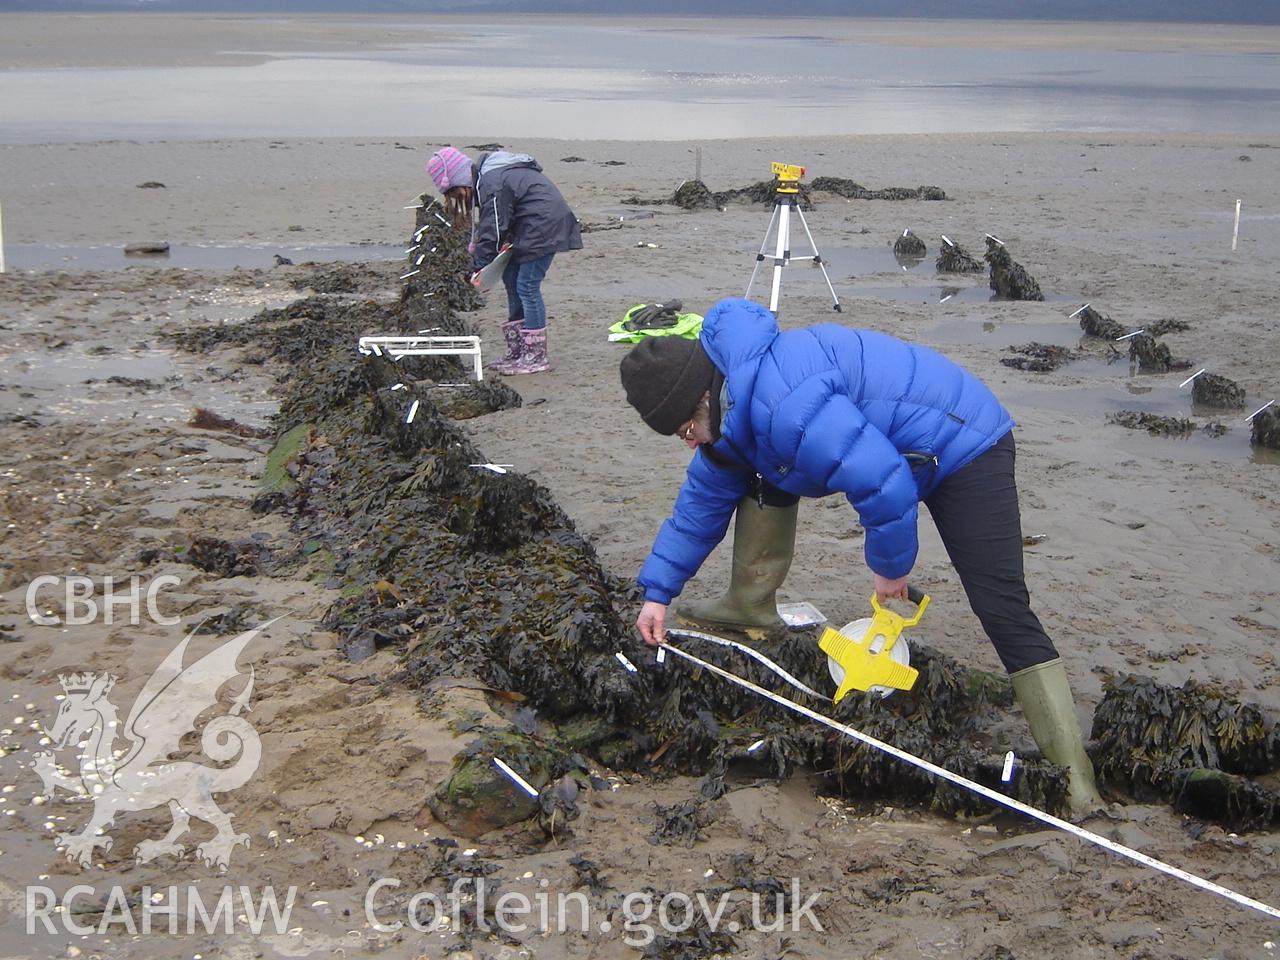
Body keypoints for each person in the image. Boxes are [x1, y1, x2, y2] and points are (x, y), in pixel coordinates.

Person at [618, 296, 1104, 814]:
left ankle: (1075, 777)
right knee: (759, 472)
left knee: (1000, 603)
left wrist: (890, 571)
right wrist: (658, 594)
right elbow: (698, 508)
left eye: (685, 431)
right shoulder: (730, 420)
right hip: (898, 449)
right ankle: (748, 603)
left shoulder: (784, 403)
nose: (689, 444)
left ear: (702, 400)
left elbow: (883, 483)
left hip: (962, 436)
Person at [427, 146, 582, 375]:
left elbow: (493, 229)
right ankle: (517, 350)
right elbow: (501, 220)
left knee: (527, 286)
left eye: (456, 192)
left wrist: (479, 267)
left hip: (544, 227)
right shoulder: (487, 180)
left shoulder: (492, 182)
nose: (459, 199)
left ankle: (536, 355)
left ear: (461, 179)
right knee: (511, 279)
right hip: (526, 228)